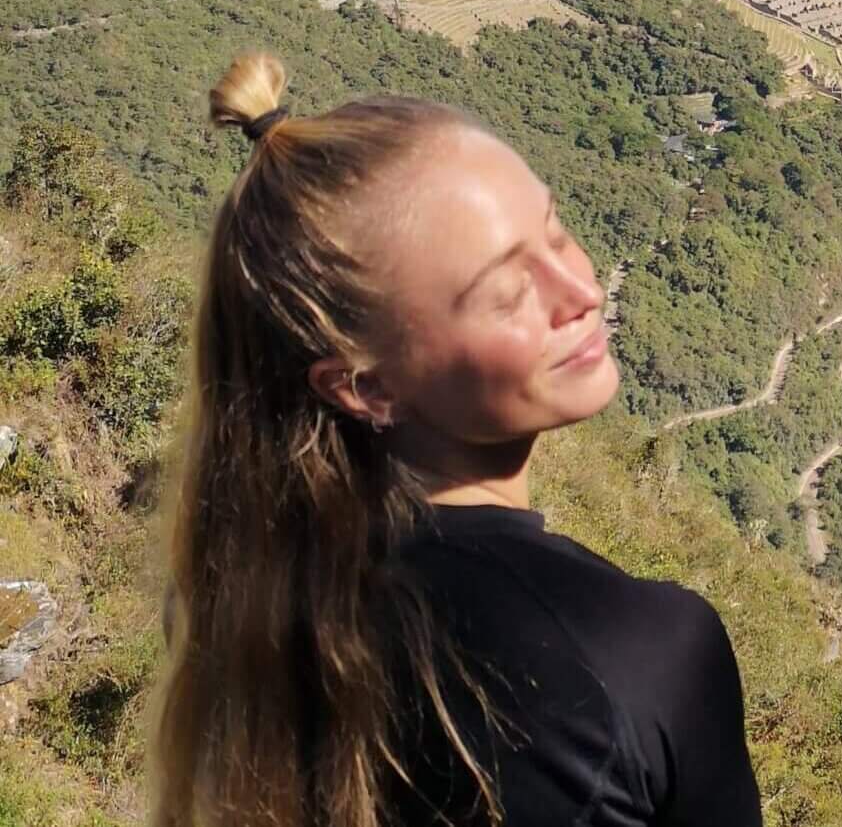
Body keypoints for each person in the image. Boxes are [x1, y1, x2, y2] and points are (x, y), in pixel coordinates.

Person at [149, 53, 762, 827]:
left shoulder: (235, 611)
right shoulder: (644, 655)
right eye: (507, 292)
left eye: (557, 231)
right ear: (364, 386)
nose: (583, 292)